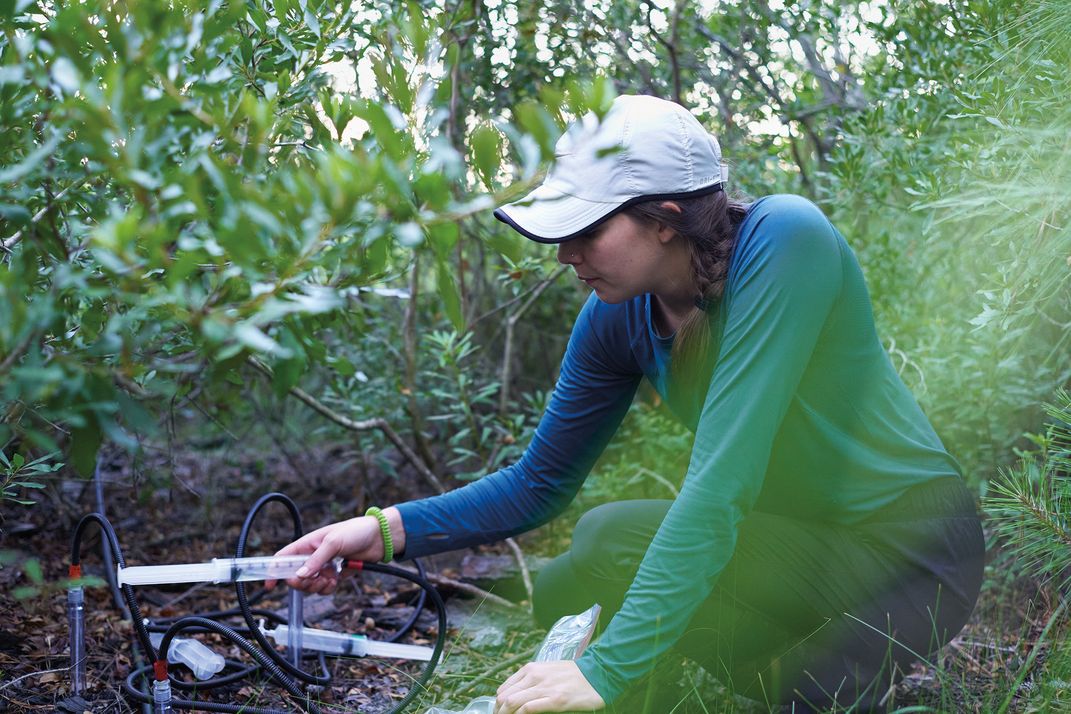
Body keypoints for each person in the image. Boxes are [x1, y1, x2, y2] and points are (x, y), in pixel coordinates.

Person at [272, 95, 985, 713]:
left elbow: (721, 482)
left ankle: (820, 677)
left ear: (665, 219)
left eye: (585, 231)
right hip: (800, 545)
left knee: (776, 682)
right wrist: (380, 531)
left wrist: (603, 673)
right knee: (572, 574)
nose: (564, 255)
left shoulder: (785, 242)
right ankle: (782, 672)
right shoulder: (618, 315)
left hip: (910, 550)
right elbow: (537, 484)